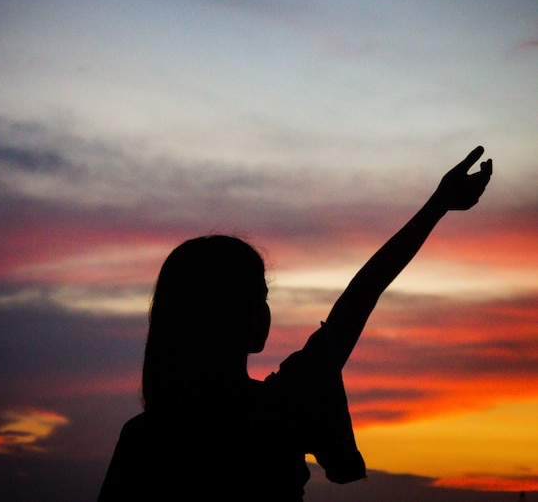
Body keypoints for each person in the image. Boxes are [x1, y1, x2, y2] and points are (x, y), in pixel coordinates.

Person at [97, 146, 493, 501]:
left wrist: (437, 205)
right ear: (231, 317)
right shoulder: (278, 409)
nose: (266, 311)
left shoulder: (144, 437)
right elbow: (362, 296)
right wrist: (435, 207)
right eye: (258, 298)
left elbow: (361, 296)